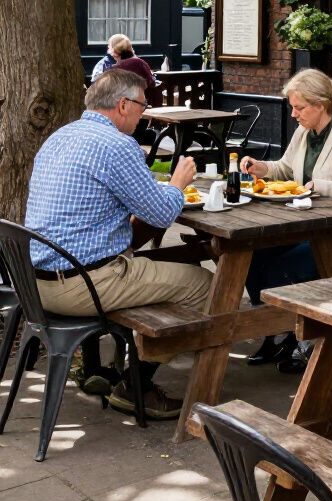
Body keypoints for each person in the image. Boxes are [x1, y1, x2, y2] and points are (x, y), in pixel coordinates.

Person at [25, 69, 212, 419]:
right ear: (123, 105)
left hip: (36, 283)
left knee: (166, 265)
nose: (145, 113)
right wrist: (178, 182)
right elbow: (159, 214)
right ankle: (136, 385)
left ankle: (113, 369)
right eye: (143, 105)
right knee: (207, 285)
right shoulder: (118, 145)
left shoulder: (60, 136)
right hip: (83, 285)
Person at [240, 68, 332, 371]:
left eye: (299, 107)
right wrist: (260, 167)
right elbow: (286, 170)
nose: (293, 114)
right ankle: (275, 332)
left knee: (285, 267)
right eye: (292, 107)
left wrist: (316, 185)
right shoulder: (304, 133)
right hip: (308, 224)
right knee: (250, 255)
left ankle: (302, 341)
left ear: (321, 105)